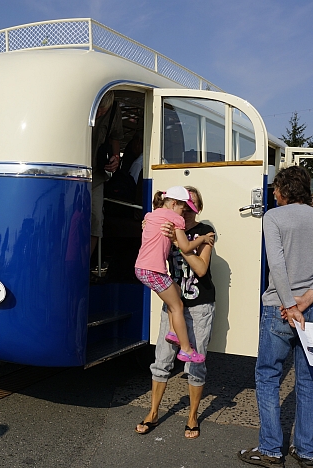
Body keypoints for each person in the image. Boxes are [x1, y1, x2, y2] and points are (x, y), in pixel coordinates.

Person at [238, 165, 313, 468]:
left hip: (279, 310)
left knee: (268, 377)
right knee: (309, 382)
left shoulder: (273, 217)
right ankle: (307, 451)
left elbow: (277, 266)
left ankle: (271, 449)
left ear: (281, 191)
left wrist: (290, 304)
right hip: (311, 313)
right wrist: (308, 299)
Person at [135, 186, 216, 439]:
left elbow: (201, 269)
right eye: (183, 203)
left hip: (200, 305)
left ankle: (192, 417)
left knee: (195, 366)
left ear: (197, 208)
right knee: (161, 361)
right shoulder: (168, 222)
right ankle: (153, 412)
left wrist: (179, 244)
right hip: (172, 305)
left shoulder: (205, 232)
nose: (186, 209)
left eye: (191, 205)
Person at [135, 186, 214, 365]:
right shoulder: (175, 218)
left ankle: (172, 330)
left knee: (176, 291)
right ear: (174, 203)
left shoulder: (151, 215)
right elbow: (186, 247)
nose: (184, 212)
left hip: (142, 268)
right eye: (182, 207)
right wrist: (202, 239)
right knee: (177, 305)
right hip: (153, 270)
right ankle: (186, 349)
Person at [90, 92, 123, 257]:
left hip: (97, 174)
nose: (100, 114)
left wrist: (115, 158)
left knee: (96, 220)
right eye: (99, 110)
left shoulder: (114, 109)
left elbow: (115, 136)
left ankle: (85, 266)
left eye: (104, 111)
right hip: (75, 171)